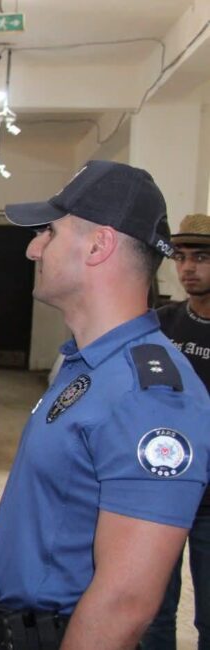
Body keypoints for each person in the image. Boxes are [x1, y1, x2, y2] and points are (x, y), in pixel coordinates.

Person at [0, 161, 210, 650]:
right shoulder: (88, 365)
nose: (33, 248)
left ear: (99, 245)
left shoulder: (149, 397)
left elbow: (124, 604)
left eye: (49, 232)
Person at [143, 212, 210, 650]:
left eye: (201, 258)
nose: (187, 268)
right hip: (162, 490)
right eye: (181, 257)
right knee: (152, 613)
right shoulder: (161, 325)